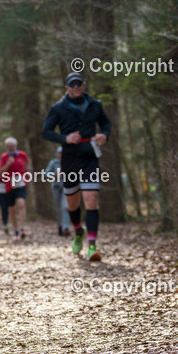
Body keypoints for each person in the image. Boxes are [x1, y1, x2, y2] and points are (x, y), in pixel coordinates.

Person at [41, 71, 111, 261]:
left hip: (89, 156)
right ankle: (78, 231)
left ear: (84, 84)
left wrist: (104, 134)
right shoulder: (58, 108)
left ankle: (93, 246)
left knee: (91, 199)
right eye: (72, 84)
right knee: (72, 203)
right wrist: (65, 138)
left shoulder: (94, 104)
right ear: (66, 87)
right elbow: (46, 132)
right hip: (70, 158)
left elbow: (105, 123)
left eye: (78, 83)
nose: (76, 87)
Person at [0, 137, 29, 241]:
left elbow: (27, 164)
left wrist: (28, 172)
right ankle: (15, 229)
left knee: (21, 203)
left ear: (16, 146)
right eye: (9, 146)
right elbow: (0, 172)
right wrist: (8, 164)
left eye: (12, 146)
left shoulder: (22, 155)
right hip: (9, 185)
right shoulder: (4, 157)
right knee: (11, 209)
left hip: (21, 183)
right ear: (6, 147)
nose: (11, 148)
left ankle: (22, 228)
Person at [45, 146, 71, 237]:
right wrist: (54, 175)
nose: (61, 155)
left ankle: (66, 228)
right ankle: (60, 227)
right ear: (57, 154)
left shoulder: (69, 162)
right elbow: (45, 174)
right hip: (55, 188)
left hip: (66, 187)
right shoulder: (53, 163)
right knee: (59, 208)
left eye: (63, 153)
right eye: (60, 153)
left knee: (65, 207)